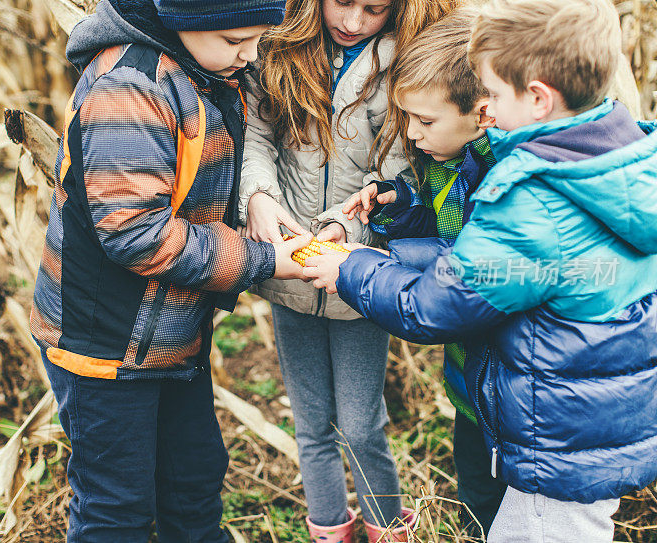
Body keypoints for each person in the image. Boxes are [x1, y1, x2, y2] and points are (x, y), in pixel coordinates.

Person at [303, 0, 657, 541]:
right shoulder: (609, 158)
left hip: (552, 438)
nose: (484, 109)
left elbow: (438, 305)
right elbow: (472, 261)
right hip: (567, 417)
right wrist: (396, 227)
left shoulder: (535, 199)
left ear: (537, 98)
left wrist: (350, 268)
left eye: (491, 92)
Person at [28, 0, 315, 540]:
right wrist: (261, 259)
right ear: (189, 19)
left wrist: (254, 200)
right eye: (236, 41)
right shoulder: (130, 90)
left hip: (170, 335)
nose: (251, 55)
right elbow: (135, 234)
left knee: (193, 478)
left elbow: (200, 174)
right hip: (106, 348)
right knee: (117, 505)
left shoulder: (204, 65)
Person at [239, 0, 458, 540]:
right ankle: (329, 528)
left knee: (361, 426)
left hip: (359, 281)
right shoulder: (281, 49)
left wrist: (348, 230)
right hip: (290, 272)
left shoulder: (407, 63)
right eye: (343, 2)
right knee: (311, 425)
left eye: (374, 8)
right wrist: (259, 197)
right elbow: (256, 135)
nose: (353, 22)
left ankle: (387, 527)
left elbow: (402, 168)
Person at [340, 8, 505, 537]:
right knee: (476, 499)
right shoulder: (445, 159)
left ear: (482, 114)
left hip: (513, 392)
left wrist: (369, 264)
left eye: (424, 121)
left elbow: (464, 270)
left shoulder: (511, 182)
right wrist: (394, 203)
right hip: (471, 387)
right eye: (406, 117)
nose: (410, 134)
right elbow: (436, 219)